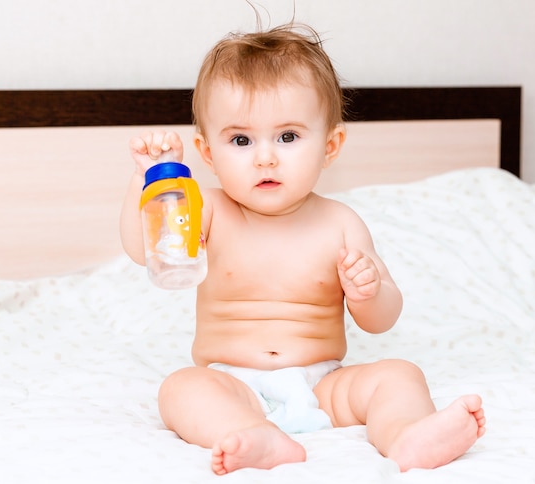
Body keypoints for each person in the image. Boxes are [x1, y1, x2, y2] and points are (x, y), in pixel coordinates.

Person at [120, 22, 486, 475]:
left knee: (399, 374)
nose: (265, 157)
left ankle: (408, 434)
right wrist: (151, 181)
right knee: (181, 388)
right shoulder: (207, 210)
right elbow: (144, 248)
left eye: (288, 137)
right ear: (208, 153)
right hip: (234, 382)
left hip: (323, 383)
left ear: (330, 145)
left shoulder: (340, 223)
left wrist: (368, 291)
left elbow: (379, 321)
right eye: (240, 140)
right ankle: (256, 436)